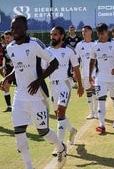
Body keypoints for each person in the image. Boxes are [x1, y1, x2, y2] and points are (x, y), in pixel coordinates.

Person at [0, 15, 66, 169]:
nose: (14, 31)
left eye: (18, 28)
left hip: (37, 96)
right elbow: (18, 67)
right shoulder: (11, 47)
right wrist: (7, 78)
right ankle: (29, 166)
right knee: (19, 134)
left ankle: (61, 147)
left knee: (43, 132)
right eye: (13, 28)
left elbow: (54, 63)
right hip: (20, 96)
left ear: (26, 29)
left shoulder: (35, 44)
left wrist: (38, 80)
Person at [42, 26, 84, 156]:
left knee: (60, 112)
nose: (52, 37)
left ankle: (59, 145)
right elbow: (43, 71)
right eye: (51, 34)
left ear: (62, 36)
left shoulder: (69, 50)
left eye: (55, 35)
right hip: (52, 85)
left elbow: (76, 69)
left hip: (65, 84)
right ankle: (72, 130)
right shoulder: (46, 51)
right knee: (59, 115)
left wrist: (81, 86)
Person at [89, 23, 114, 133]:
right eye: (98, 34)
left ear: (107, 32)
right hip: (100, 78)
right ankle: (102, 125)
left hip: (112, 78)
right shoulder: (94, 46)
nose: (100, 36)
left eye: (102, 33)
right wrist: (90, 75)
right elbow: (92, 61)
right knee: (101, 100)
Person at [75, 25, 98, 119]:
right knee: (88, 91)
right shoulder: (79, 45)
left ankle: (96, 111)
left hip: (95, 72)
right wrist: (74, 73)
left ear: (90, 32)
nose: (84, 33)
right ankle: (91, 112)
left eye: (86, 31)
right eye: (82, 31)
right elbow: (76, 60)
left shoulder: (96, 44)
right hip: (84, 72)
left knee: (95, 91)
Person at [0, 30, 14, 112]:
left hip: (19, 70)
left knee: (22, 87)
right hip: (8, 70)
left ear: (12, 37)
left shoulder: (18, 46)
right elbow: (1, 58)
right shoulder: (4, 48)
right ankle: (9, 106)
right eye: (5, 38)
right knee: (5, 87)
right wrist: (1, 67)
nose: (6, 39)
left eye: (8, 38)